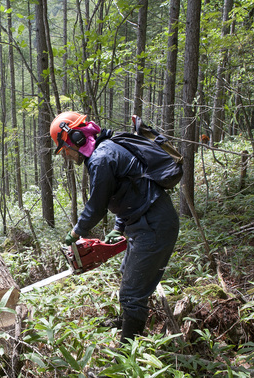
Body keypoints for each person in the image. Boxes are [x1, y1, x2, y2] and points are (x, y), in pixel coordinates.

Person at [50, 111, 179, 344]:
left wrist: (76, 232)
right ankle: (128, 322)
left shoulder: (101, 158)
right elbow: (128, 189)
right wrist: (118, 228)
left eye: (65, 149)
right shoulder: (107, 150)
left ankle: (127, 353)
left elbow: (97, 206)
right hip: (144, 222)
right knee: (126, 274)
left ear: (77, 139)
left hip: (154, 225)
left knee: (131, 294)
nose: (67, 156)